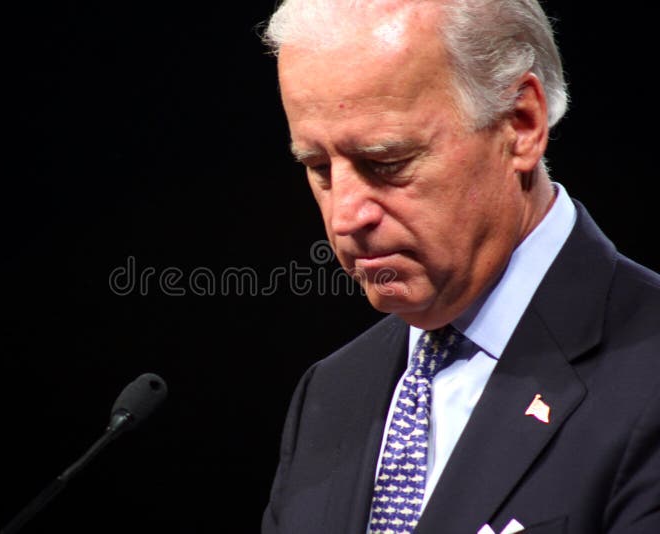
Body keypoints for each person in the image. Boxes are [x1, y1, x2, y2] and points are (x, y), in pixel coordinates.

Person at [260, 1, 660, 533]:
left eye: (387, 162)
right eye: (319, 168)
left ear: (520, 124)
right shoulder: (330, 394)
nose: (344, 217)